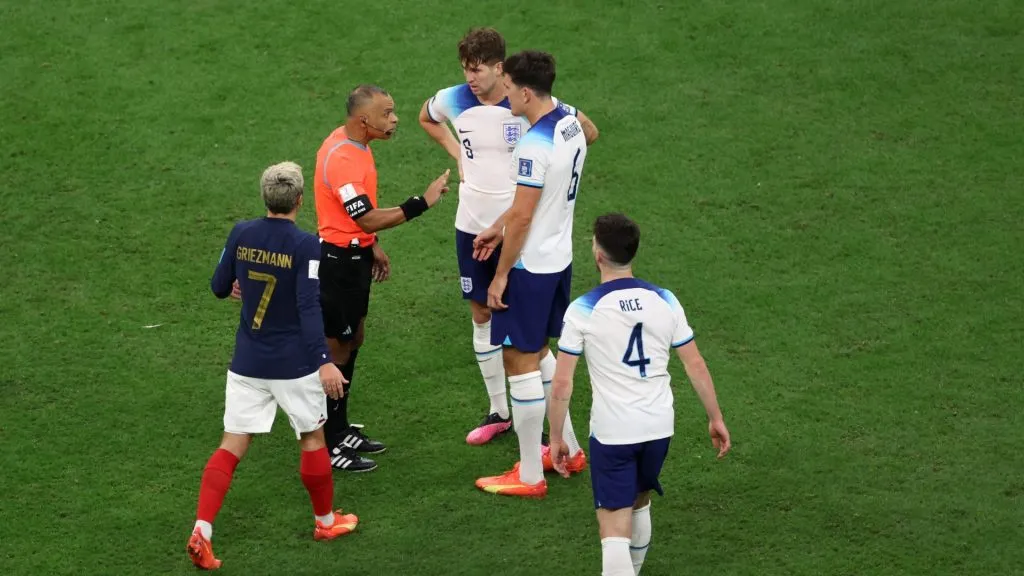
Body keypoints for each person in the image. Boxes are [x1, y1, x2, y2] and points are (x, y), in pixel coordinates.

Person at [420, 28, 599, 447]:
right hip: (472, 223)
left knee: (527, 340)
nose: (471, 78)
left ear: (501, 69)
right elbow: (425, 117)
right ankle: (500, 411)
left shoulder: (526, 102)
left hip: (518, 227)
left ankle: (545, 434)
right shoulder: (453, 99)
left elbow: (585, 129)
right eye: (466, 69)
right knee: (481, 313)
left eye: (478, 69)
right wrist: (456, 152)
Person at [186, 162, 359, 570]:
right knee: (312, 437)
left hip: (247, 361)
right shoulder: (306, 245)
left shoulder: (241, 233)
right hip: (295, 365)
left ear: (265, 198)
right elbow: (306, 305)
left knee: (232, 444)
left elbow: (217, 286)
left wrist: (235, 285)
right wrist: (324, 362)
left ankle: (202, 530)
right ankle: (326, 522)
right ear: (300, 200)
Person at [547, 213, 732, 576]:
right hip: (659, 426)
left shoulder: (583, 309)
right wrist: (716, 417)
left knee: (613, 528)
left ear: (598, 255)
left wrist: (555, 436)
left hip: (614, 432)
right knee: (639, 502)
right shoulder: (665, 300)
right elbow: (695, 365)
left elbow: (562, 384)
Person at [472, 50, 592, 498]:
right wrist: (498, 224)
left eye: (508, 89)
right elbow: (532, 203)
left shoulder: (533, 143)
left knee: (518, 361)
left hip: (529, 266)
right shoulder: (569, 121)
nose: (503, 96)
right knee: (539, 350)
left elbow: (522, 219)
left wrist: (500, 276)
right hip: (559, 259)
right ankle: (572, 449)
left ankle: (529, 475)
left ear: (525, 91)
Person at [315, 84, 451, 472]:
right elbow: (364, 217)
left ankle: (340, 429)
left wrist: (371, 245)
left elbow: (358, 221)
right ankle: (329, 440)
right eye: (387, 113)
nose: (394, 120)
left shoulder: (355, 145)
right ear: (364, 119)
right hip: (338, 263)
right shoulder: (342, 158)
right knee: (337, 347)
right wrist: (421, 203)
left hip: (355, 256)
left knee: (354, 336)